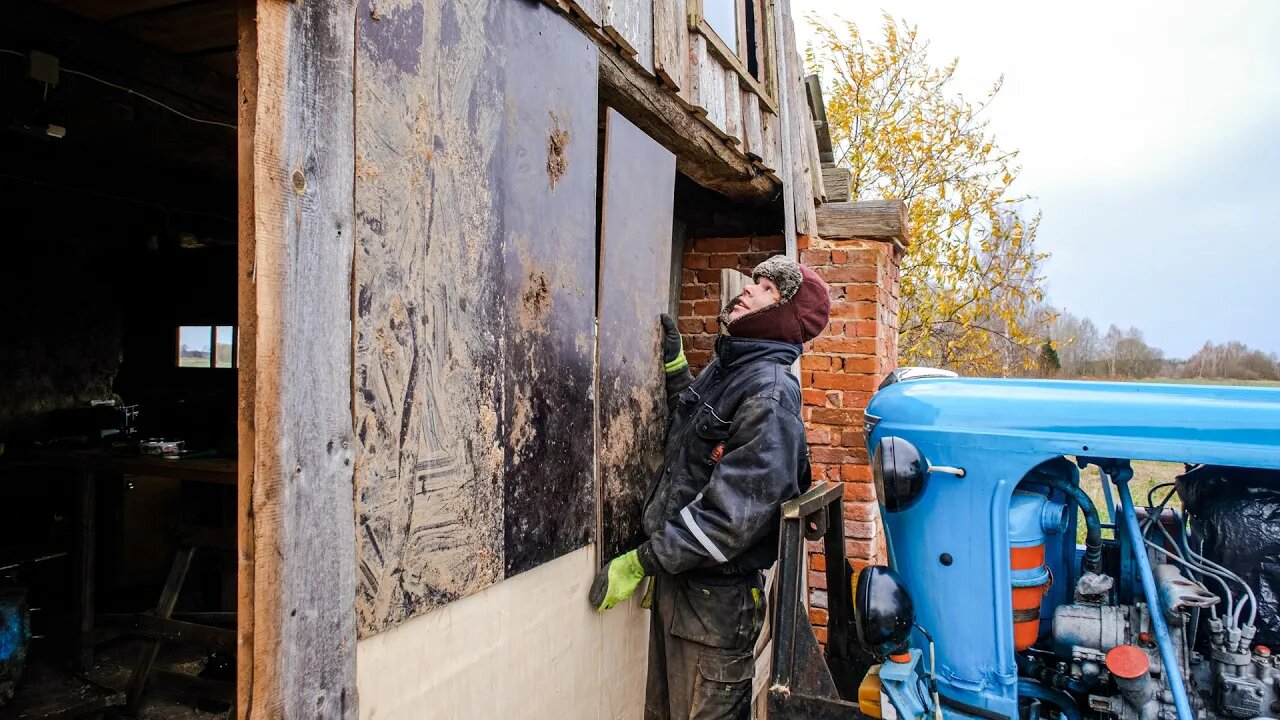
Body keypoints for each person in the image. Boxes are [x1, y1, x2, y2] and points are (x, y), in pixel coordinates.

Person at [590, 254, 832, 719]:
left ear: (782, 313)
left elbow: (730, 518)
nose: (747, 290)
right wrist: (679, 372)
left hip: (715, 607)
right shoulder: (732, 370)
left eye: (764, 289)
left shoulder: (770, 393)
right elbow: (692, 447)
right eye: (753, 281)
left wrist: (644, 561)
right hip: (684, 588)